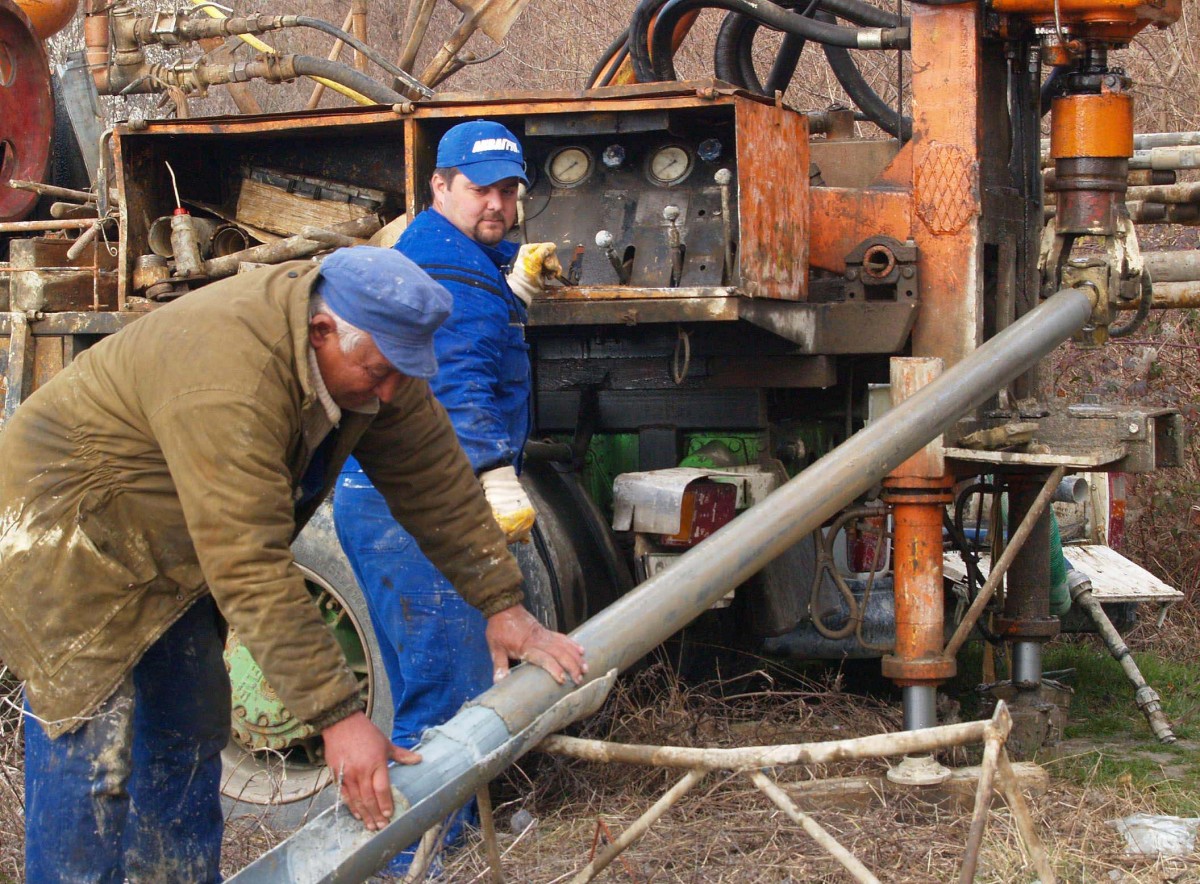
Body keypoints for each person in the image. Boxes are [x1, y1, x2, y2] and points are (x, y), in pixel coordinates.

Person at [0, 246, 586, 882]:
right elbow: (249, 562)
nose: (389, 394)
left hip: (167, 541)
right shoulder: (232, 378)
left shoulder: (370, 355)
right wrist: (338, 715)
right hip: (65, 534)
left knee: (188, 729)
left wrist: (504, 604)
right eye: (379, 373)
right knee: (95, 760)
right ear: (321, 331)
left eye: (400, 375)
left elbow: (434, 479)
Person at [333, 120, 561, 870]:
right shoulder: (452, 275)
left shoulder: (454, 257)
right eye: (479, 189)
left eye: (508, 190)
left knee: (432, 685)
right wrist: (493, 476)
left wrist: (512, 286)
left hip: (387, 501)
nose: (496, 205)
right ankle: (417, 863)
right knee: (448, 690)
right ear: (438, 187)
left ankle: (440, 842)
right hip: (419, 510)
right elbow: (457, 387)